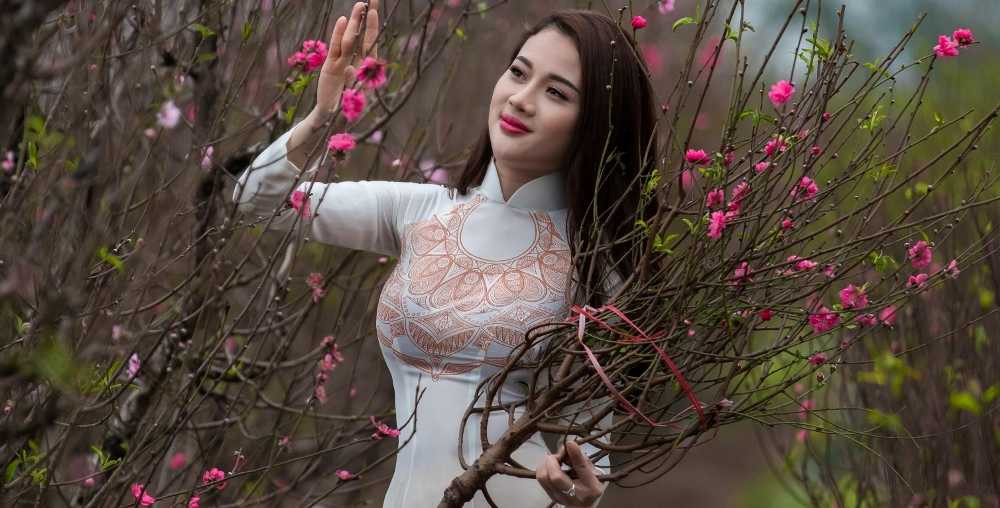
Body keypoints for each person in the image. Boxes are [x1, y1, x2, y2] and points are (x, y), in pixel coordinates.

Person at [232, 2, 659, 506]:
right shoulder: (420, 211)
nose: (521, 99)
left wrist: (579, 493)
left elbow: (589, 458)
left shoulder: (594, 264)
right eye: (518, 73)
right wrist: (324, 114)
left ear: (597, 126)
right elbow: (257, 202)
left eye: (556, 93)